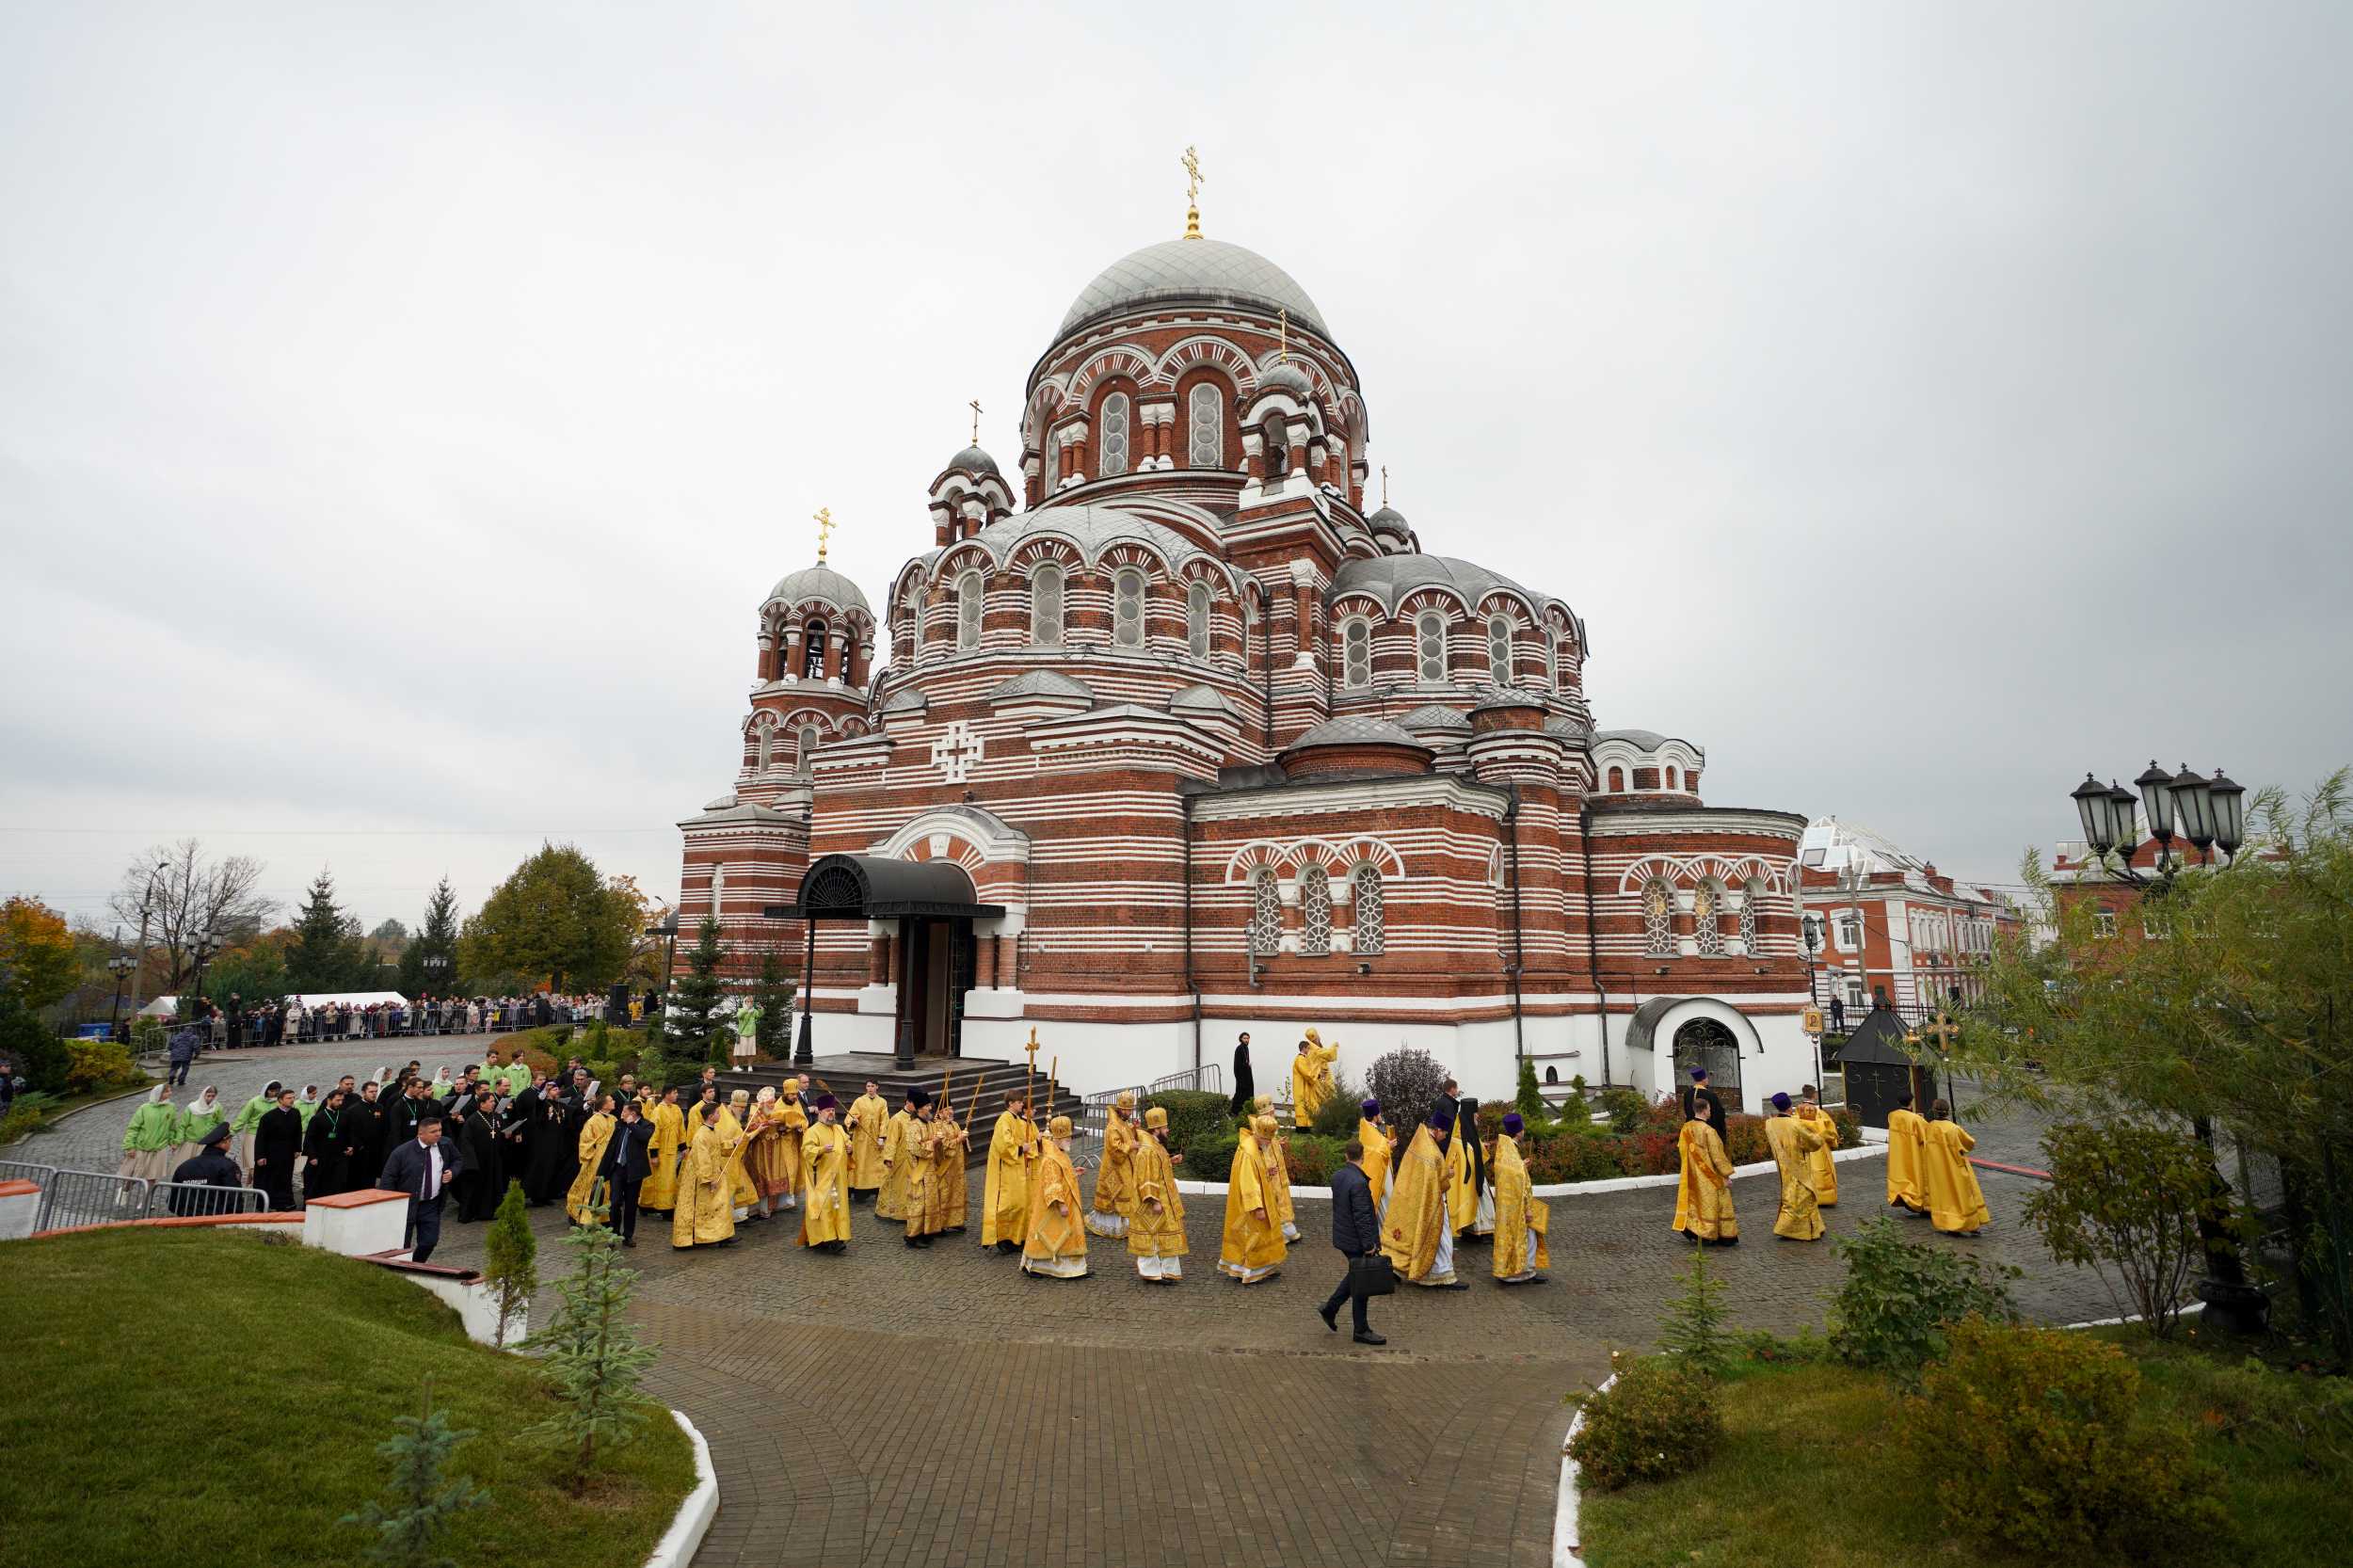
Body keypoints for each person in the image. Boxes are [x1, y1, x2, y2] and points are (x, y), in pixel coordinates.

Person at [1380, 1106, 1465, 1288]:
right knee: (1442, 1238)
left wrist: (1442, 1172)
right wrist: (1447, 1174)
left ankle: (1399, 1269)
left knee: (1414, 1236)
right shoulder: (1431, 1151)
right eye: (1445, 1133)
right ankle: (1442, 1275)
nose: (1445, 1136)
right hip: (1431, 1204)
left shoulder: (1420, 1141)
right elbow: (1435, 1181)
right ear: (1438, 1130)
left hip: (1413, 1198)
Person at [1319, 1137, 1385, 1342]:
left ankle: (1330, 1308)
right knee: (1361, 1281)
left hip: (1344, 1236)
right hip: (1356, 1240)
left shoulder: (1338, 1176)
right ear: (1363, 1157)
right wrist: (1369, 1245)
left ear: (1346, 1155)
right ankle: (1360, 1330)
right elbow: (1362, 1217)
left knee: (1356, 1276)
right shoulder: (1359, 1182)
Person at [1217, 1113, 1288, 1285]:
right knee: (1253, 1236)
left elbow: (1256, 1173)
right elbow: (1248, 1182)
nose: (1269, 1144)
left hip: (1258, 1199)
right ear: (1259, 1135)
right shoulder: (1249, 1152)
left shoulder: (1255, 1145)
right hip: (1251, 1205)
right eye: (1267, 1140)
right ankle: (1250, 1271)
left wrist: (1266, 1172)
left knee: (1260, 1235)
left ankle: (1261, 1268)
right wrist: (1258, 1208)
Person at [379, 1115, 461, 1262]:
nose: (438, 1134)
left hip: (431, 1204)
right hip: (406, 1205)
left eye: (440, 1130)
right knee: (402, 1244)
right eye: (433, 1131)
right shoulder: (401, 1152)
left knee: (429, 1242)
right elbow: (388, 1179)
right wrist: (390, 1205)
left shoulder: (445, 1144)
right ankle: (400, 1267)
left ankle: (416, 1264)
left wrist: (452, 1172)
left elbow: (457, 1160)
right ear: (420, 1134)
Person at [1021, 1114, 1088, 1279]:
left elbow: (1062, 1174)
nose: (1070, 1140)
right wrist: (1061, 1204)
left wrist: (1073, 1173)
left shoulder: (1060, 1152)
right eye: (1067, 1137)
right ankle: (1035, 1266)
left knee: (1067, 1234)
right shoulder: (1051, 1158)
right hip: (1055, 1205)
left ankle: (1075, 1268)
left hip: (1067, 1201)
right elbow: (1052, 1183)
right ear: (1057, 1138)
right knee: (1049, 1234)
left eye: (1070, 1136)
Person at [1125, 1105, 1185, 1283]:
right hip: (1153, 1202)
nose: (1168, 1130)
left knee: (1167, 1235)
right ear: (1156, 1129)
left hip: (1166, 1201)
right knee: (1149, 1237)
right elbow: (1145, 1177)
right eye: (1165, 1127)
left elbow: (1157, 1168)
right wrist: (1153, 1200)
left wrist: (1170, 1161)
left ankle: (1168, 1271)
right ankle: (1151, 1272)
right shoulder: (1148, 1150)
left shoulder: (1156, 1145)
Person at [672, 1100, 740, 1250]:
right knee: (705, 1208)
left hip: (716, 1175)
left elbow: (721, 1147)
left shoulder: (714, 1131)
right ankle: (705, 1237)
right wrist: (709, 1179)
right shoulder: (701, 1135)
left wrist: (734, 1143)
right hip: (703, 1179)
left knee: (721, 1205)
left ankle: (722, 1235)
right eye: (717, 1113)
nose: (720, 1115)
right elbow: (702, 1159)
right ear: (710, 1116)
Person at [1491, 1112, 1550, 1285]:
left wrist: (1521, 1165)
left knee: (1514, 1238)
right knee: (1528, 1237)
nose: (1524, 1131)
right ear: (1519, 1132)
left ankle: (1508, 1271)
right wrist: (1527, 1209)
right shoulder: (1510, 1153)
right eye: (1522, 1128)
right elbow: (1519, 1181)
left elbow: (1510, 1172)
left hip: (1506, 1208)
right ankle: (1523, 1272)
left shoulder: (1505, 1150)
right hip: (1518, 1209)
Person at [1672, 1095, 1738, 1245]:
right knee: (1717, 1202)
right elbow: (1718, 1157)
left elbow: (1682, 1149)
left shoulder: (1686, 1128)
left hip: (1692, 1175)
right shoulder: (1709, 1131)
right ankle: (1716, 1234)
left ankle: (1696, 1231)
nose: (1710, 1111)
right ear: (1703, 1111)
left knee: (1696, 1204)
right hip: (1710, 1176)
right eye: (1709, 1109)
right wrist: (1726, 1175)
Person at [1919, 1099, 1990, 1236]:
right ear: (1948, 1111)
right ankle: (1970, 1224)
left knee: (1946, 1197)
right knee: (1964, 1195)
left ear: (1934, 1111)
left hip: (1939, 1169)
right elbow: (1969, 1143)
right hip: (1956, 1167)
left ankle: (1950, 1224)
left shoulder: (1930, 1127)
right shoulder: (1954, 1129)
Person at [1764, 1092, 1828, 1241]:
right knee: (1804, 1197)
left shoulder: (1769, 1123)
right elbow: (1814, 1142)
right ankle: (1801, 1230)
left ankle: (1803, 1227)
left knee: (1789, 1196)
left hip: (1783, 1167)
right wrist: (1822, 1134)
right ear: (1790, 1106)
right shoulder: (1795, 1124)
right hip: (1799, 1167)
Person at [982, 1092, 1036, 1253]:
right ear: (1011, 1103)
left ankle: (1016, 1237)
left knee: (1019, 1203)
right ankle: (1002, 1238)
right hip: (1005, 1169)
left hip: (1017, 1167)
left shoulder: (1017, 1120)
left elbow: (1023, 1139)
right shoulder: (1004, 1119)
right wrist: (1020, 1148)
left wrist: (1032, 1144)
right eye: (1019, 1102)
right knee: (1006, 1204)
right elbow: (1004, 1145)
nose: (1022, 1105)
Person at [798, 1094, 851, 1252]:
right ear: (820, 1112)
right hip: (822, 1177)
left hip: (839, 1177)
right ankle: (827, 1240)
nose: (831, 1113)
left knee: (838, 1207)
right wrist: (821, 1150)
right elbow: (806, 1150)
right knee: (824, 1208)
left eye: (832, 1110)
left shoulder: (839, 1129)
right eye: (828, 1110)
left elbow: (847, 1141)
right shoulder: (812, 1131)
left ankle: (838, 1236)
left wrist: (850, 1147)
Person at [600, 1097, 654, 1246]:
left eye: (624, 1111)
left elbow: (643, 1137)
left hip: (634, 1172)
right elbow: (611, 1147)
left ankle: (628, 1235)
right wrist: (602, 1171)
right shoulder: (619, 1124)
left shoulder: (647, 1125)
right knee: (615, 1202)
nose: (621, 1113)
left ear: (633, 1114)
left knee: (631, 1205)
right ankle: (613, 1234)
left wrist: (631, 1124)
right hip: (618, 1169)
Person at [1249, 1094, 1300, 1242]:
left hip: (1277, 1169)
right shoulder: (1261, 1126)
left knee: (1282, 1197)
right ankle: (1280, 1233)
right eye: (1271, 1111)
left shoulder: (1267, 1123)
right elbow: (1263, 1146)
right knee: (1276, 1200)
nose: (1274, 1113)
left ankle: (1287, 1228)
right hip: (1270, 1171)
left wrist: (1278, 1142)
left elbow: (1270, 1142)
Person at [1087, 1090, 1137, 1239]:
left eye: (1131, 1110)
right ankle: (1110, 1227)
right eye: (1127, 1110)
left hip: (1124, 1167)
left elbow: (1125, 1134)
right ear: (1120, 1109)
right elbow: (1115, 1148)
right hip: (1115, 1168)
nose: (1129, 1113)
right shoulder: (1113, 1126)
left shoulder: (1122, 1122)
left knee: (1125, 1193)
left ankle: (1124, 1227)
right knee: (1114, 1197)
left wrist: (1134, 1129)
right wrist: (1131, 1146)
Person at [168, 1122, 244, 1215]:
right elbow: (234, 1200)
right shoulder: (228, 1166)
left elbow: (173, 1202)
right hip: (216, 1218)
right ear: (223, 1143)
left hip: (186, 1217)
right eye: (230, 1141)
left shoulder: (184, 1167)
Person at [566, 1094, 617, 1226]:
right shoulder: (593, 1121)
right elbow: (585, 1140)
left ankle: (603, 1217)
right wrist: (593, 1155)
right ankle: (582, 1215)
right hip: (596, 1159)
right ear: (604, 1105)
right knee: (589, 1186)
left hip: (610, 1157)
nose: (614, 1102)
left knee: (607, 1187)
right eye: (611, 1100)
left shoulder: (614, 1119)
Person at [250, 1087, 305, 1211]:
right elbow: (261, 1138)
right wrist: (260, 1156)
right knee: (271, 1178)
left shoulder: (295, 1113)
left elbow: (298, 1131)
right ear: (280, 1100)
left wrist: (297, 1148)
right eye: (289, 1098)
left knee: (286, 1177)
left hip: (288, 1152)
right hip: (271, 1153)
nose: (292, 1100)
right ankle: (269, 1203)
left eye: (293, 1097)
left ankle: (286, 1202)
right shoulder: (268, 1117)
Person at [744, 1086, 793, 1221]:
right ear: (764, 1102)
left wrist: (784, 1127)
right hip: (761, 1149)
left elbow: (783, 1125)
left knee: (776, 1175)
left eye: (773, 1102)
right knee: (763, 1177)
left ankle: (774, 1206)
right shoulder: (755, 1109)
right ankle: (762, 1209)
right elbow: (750, 1127)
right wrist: (767, 1123)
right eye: (770, 1103)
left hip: (776, 1147)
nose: (772, 1105)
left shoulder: (776, 1109)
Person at [454, 1091, 504, 1222]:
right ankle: (470, 1214)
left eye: (494, 1101)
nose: (494, 1103)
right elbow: (465, 1142)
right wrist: (471, 1162)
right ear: (482, 1103)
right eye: (491, 1101)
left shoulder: (497, 1117)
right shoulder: (473, 1120)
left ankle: (488, 1212)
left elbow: (499, 1134)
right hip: (479, 1159)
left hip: (494, 1158)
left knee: (492, 1185)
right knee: (476, 1188)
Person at [300, 1087, 359, 1200]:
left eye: (342, 1100)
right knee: (318, 1184)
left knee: (338, 1183)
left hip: (339, 1156)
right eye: (337, 1100)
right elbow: (309, 1139)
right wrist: (312, 1156)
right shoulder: (317, 1118)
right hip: (321, 1157)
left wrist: (351, 1146)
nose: (340, 1103)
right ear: (329, 1100)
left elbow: (350, 1133)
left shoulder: (345, 1116)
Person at [877, 1088, 923, 1224]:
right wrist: (889, 1158)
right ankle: (897, 1213)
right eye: (916, 1104)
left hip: (915, 1159)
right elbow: (891, 1140)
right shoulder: (896, 1119)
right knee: (900, 1187)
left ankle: (913, 1212)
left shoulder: (918, 1118)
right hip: (901, 1160)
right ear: (908, 1102)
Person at [900, 1092, 939, 1250]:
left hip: (930, 1171)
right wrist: (933, 1143)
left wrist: (940, 1140)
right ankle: (912, 1236)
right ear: (920, 1108)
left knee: (929, 1203)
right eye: (928, 1106)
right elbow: (914, 1148)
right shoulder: (913, 1125)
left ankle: (926, 1232)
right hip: (918, 1170)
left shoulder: (929, 1123)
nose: (930, 1108)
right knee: (918, 1204)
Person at [642, 1085, 687, 1215]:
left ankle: (664, 1205)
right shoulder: (658, 1111)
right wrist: (654, 1154)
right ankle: (652, 1206)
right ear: (667, 1094)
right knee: (657, 1179)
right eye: (674, 1093)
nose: (677, 1095)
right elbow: (654, 1133)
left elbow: (681, 1129)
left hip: (671, 1150)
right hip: (660, 1150)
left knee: (669, 1179)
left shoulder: (677, 1109)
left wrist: (683, 1147)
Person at [928, 1096, 969, 1235]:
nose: (951, 1112)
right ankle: (940, 1224)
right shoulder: (937, 1126)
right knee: (944, 1194)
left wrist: (964, 1137)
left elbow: (961, 1141)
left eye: (951, 1109)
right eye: (947, 1110)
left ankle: (955, 1221)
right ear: (940, 1113)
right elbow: (942, 1146)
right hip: (945, 1166)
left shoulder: (955, 1124)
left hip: (957, 1166)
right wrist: (959, 1139)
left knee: (957, 1193)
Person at [1884, 1091, 1929, 1214]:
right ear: (1911, 1102)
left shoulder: (1892, 1116)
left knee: (1902, 1177)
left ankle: (1904, 1196)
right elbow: (1927, 1134)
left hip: (1899, 1154)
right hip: (1913, 1153)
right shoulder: (1916, 1119)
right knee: (1917, 1176)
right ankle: (1920, 1202)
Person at [846, 1080, 889, 1204]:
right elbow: (850, 1116)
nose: (870, 1088)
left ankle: (877, 1190)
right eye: (868, 1086)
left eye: (872, 1086)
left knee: (877, 1164)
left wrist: (882, 1137)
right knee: (861, 1163)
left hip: (875, 1138)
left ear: (877, 1087)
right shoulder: (859, 1101)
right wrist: (854, 1121)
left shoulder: (882, 1102)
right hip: (861, 1138)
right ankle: (860, 1192)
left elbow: (884, 1120)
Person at [1797, 1085, 1840, 1207]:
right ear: (1814, 1095)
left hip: (1803, 1148)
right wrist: (1833, 1141)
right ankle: (1823, 1198)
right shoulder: (1820, 1113)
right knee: (1822, 1172)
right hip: (1819, 1148)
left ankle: (1806, 1197)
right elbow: (1829, 1131)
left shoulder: (1796, 1112)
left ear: (1803, 1094)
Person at [720, 1089, 760, 1220]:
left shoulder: (733, 1116)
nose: (743, 1110)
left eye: (744, 1107)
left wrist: (758, 1130)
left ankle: (736, 1216)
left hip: (735, 1160)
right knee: (728, 1191)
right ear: (734, 1105)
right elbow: (720, 1141)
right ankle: (728, 1218)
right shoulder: (724, 1117)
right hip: (724, 1161)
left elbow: (742, 1138)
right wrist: (732, 1142)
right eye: (741, 1107)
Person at [1291, 1030, 1339, 1129]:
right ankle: (1319, 1123)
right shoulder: (1312, 1050)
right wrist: (1335, 1046)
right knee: (1323, 1097)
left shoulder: (1311, 1051)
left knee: (1322, 1098)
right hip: (1317, 1079)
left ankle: (1322, 1122)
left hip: (1318, 1078)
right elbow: (1329, 1055)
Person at [773, 1076, 808, 1210]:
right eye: (792, 1094)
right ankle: (784, 1198)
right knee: (787, 1170)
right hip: (782, 1143)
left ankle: (790, 1196)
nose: (795, 1097)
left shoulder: (796, 1103)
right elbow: (776, 1125)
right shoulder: (778, 1105)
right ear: (786, 1093)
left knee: (795, 1168)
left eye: (795, 1094)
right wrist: (789, 1127)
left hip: (795, 1141)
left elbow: (803, 1119)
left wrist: (800, 1126)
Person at [230, 1080, 281, 1173]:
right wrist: (232, 1132)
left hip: (272, 1136)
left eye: (277, 1091)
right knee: (253, 1164)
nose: (274, 1093)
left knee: (267, 1164)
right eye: (272, 1091)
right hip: (253, 1135)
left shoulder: (280, 1102)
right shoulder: (254, 1102)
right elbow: (243, 1118)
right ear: (266, 1090)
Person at [347, 1080, 390, 1189]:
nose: (374, 1094)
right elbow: (351, 1132)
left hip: (376, 1150)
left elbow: (385, 1128)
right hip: (360, 1152)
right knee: (358, 1180)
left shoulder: (380, 1108)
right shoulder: (353, 1110)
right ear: (363, 1092)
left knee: (372, 1179)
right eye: (371, 1092)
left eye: (375, 1091)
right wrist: (359, 1146)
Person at [173, 1084, 226, 1168]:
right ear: (203, 1095)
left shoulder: (217, 1107)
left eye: (213, 1096)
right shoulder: (192, 1107)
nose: (210, 1098)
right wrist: (178, 1141)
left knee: (203, 1168)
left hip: (207, 1143)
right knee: (185, 1166)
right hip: (191, 1142)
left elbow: (220, 1124)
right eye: (208, 1096)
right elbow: (182, 1125)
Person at [1355, 1099, 1393, 1217]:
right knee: (1384, 1201)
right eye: (1379, 1114)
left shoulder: (1369, 1128)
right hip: (1377, 1171)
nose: (1381, 1116)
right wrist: (1389, 1145)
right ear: (1375, 1116)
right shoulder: (1369, 1131)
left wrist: (1388, 1144)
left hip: (1381, 1167)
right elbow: (1378, 1151)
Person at [1679, 1066, 1728, 1131]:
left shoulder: (1687, 1094)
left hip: (1691, 1131)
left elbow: (1687, 1112)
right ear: (1703, 1079)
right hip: (1706, 1131)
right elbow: (1718, 1115)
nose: (1708, 1079)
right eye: (1706, 1078)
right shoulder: (1710, 1095)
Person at [1228, 1031, 1256, 1115]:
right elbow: (1237, 1064)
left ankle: (1246, 1110)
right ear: (1241, 1039)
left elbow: (1246, 1061)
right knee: (1240, 1093)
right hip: (1241, 1076)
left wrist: (1247, 1065)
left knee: (1248, 1092)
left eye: (1248, 1038)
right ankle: (1235, 1111)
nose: (1246, 1040)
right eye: (1244, 1038)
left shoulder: (1246, 1048)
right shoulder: (1239, 1049)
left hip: (1247, 1074)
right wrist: (1246, 1066)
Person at [165, 1023, 199, 1087]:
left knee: (174, 1067)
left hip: (175, 1054)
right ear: (192, 1031)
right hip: (186, 1055)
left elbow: (170, 1044)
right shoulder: (194, 1037)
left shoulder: (176, 1036)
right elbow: (196, 1047)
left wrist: (171, 1050)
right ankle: (181, 1081)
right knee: (185, 1068)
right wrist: (197, 1055)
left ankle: (171, 1076)